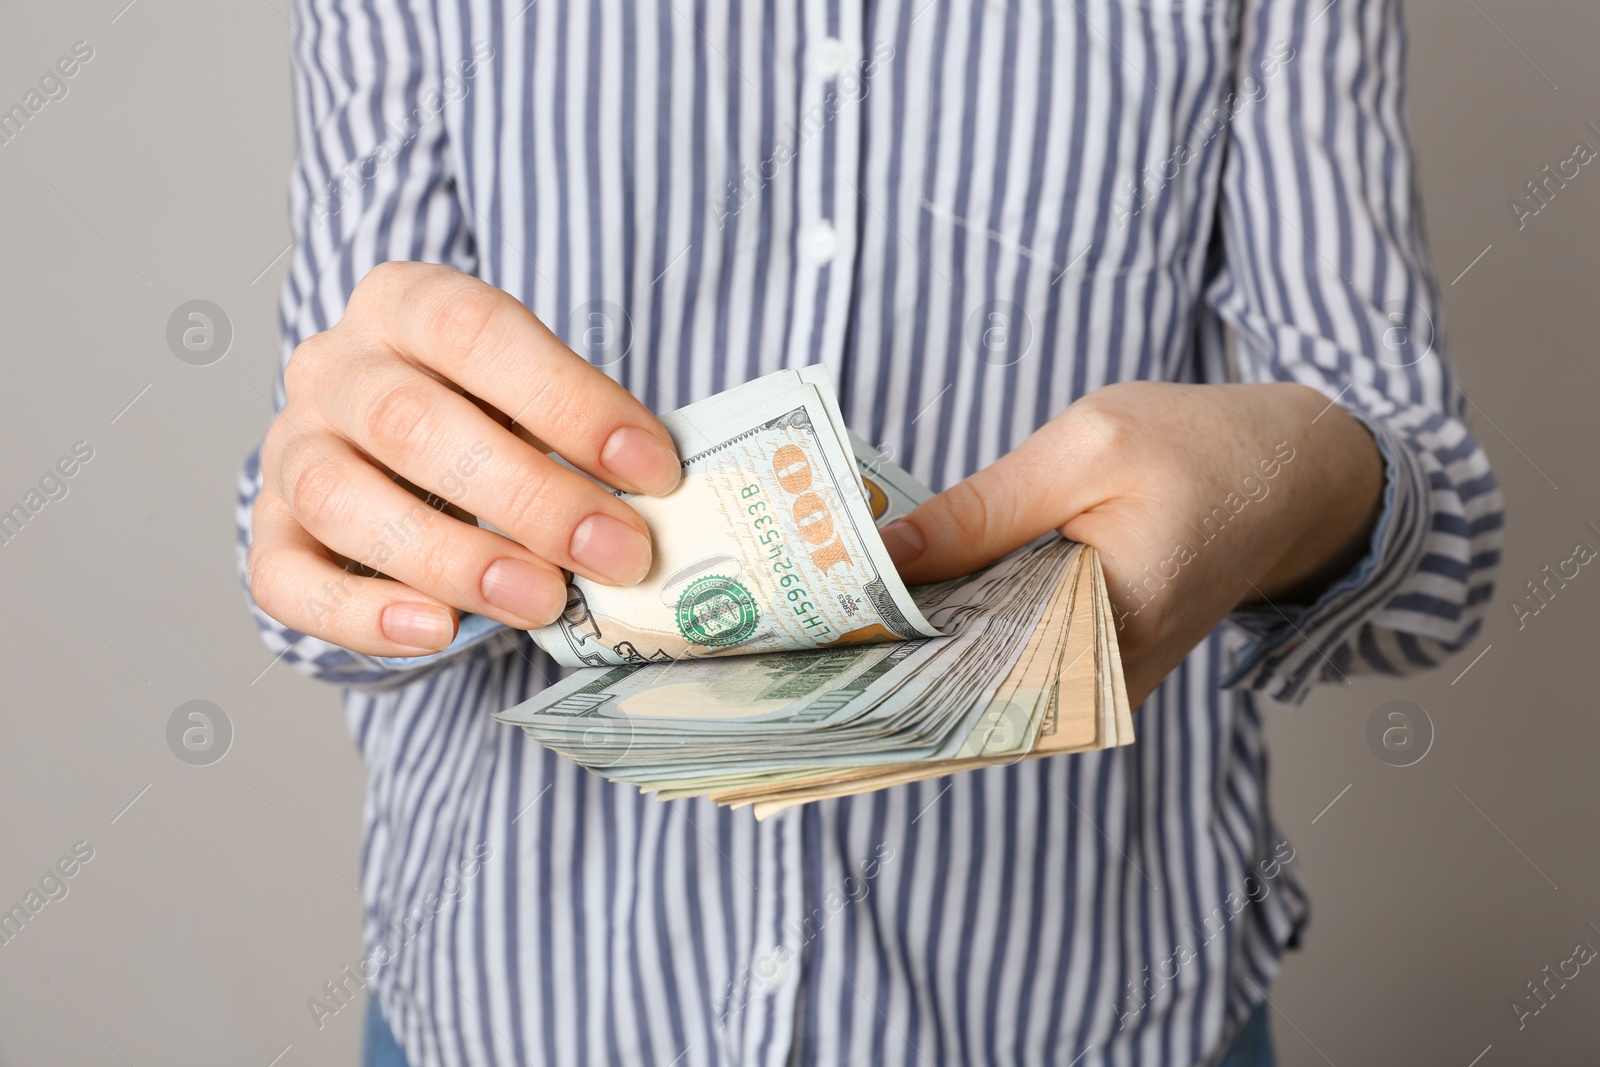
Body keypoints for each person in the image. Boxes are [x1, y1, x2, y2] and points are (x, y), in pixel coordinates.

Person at [239, 1, 1501, 1064]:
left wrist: (1290, 480)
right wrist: (350, 525)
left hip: (1092, 1009)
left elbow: (1433, 543)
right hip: (509, 1010)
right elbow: (324, 472)